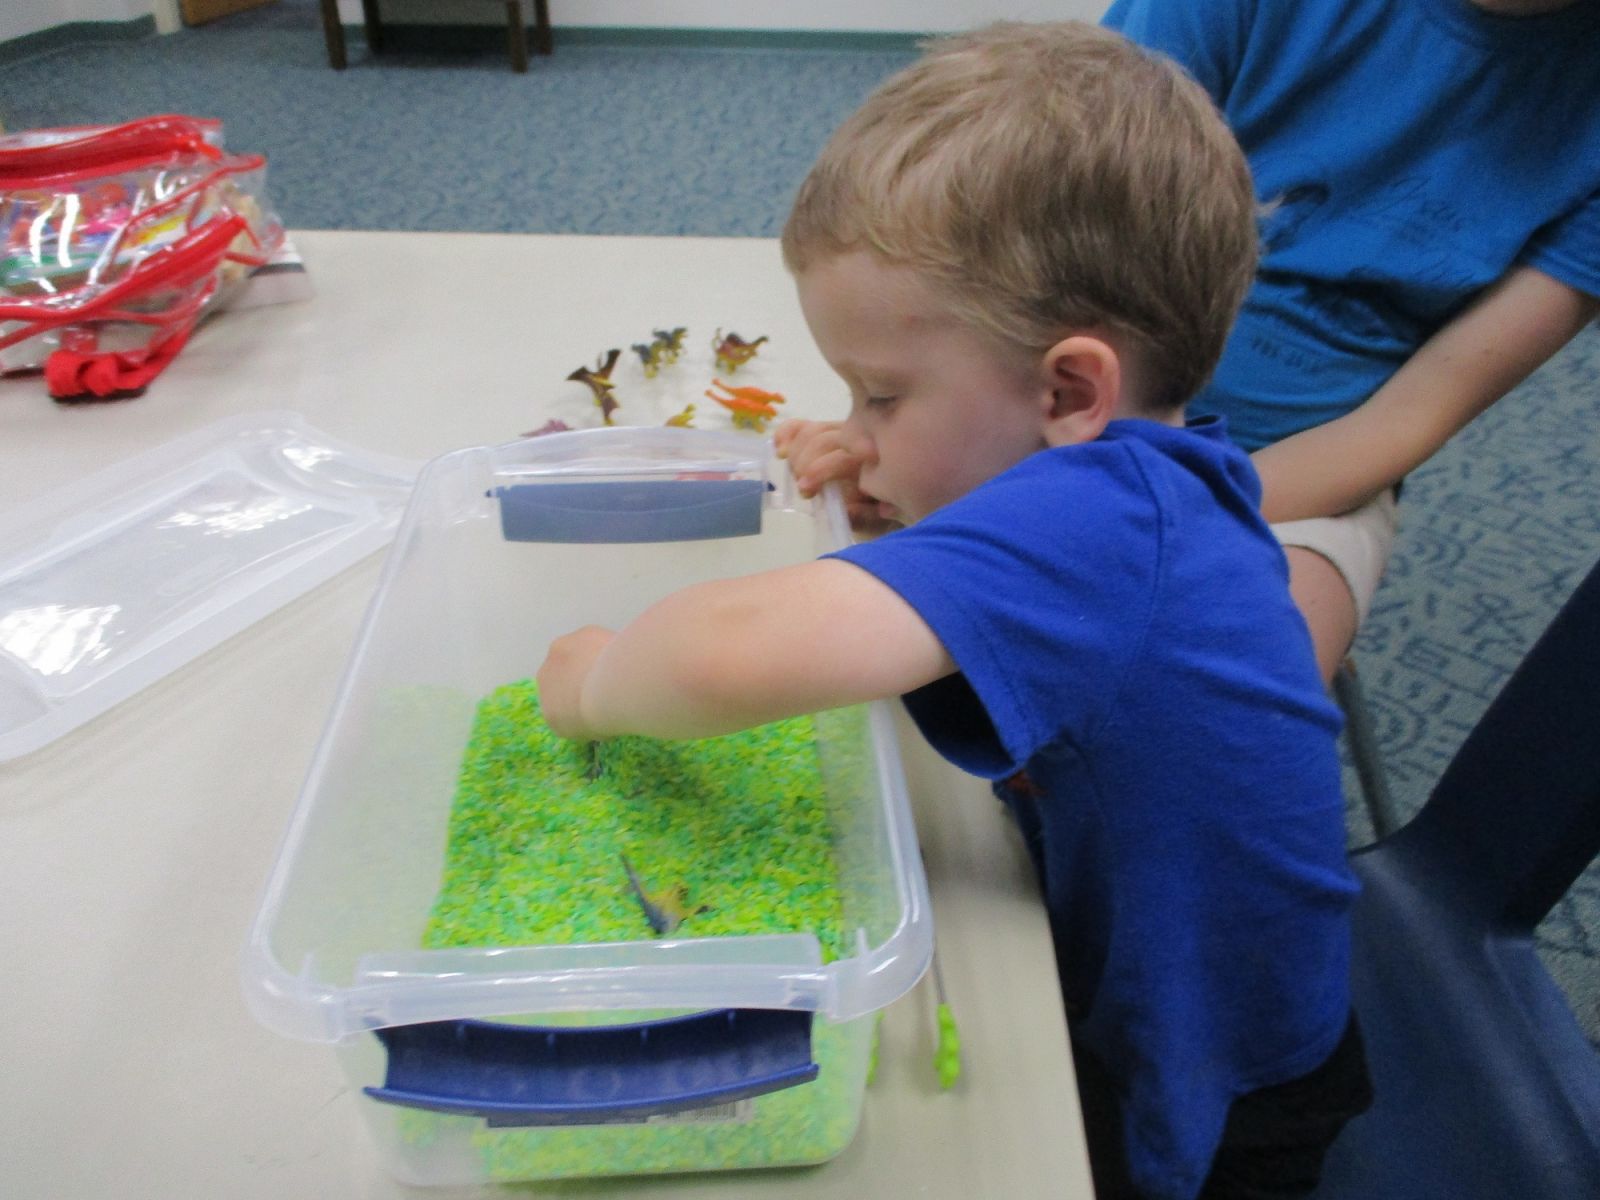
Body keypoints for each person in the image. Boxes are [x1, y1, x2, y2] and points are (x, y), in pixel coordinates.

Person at [537, 23, 1370, 1200]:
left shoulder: (1095, 526)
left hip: (1214, 1066)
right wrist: (896, 460)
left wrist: (592, 682)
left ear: (1068, 390)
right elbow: (1016, 579)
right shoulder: (1155, 476)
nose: (859, 421)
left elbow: (726, 656)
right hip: (1199, 970)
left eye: (883, 389)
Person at [1097, 0, 1600, 681]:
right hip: (1073, 392)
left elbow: (1410, 418)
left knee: (1236, 701)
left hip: (1309, 473)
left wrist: (1160, 513)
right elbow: (1057, 234)